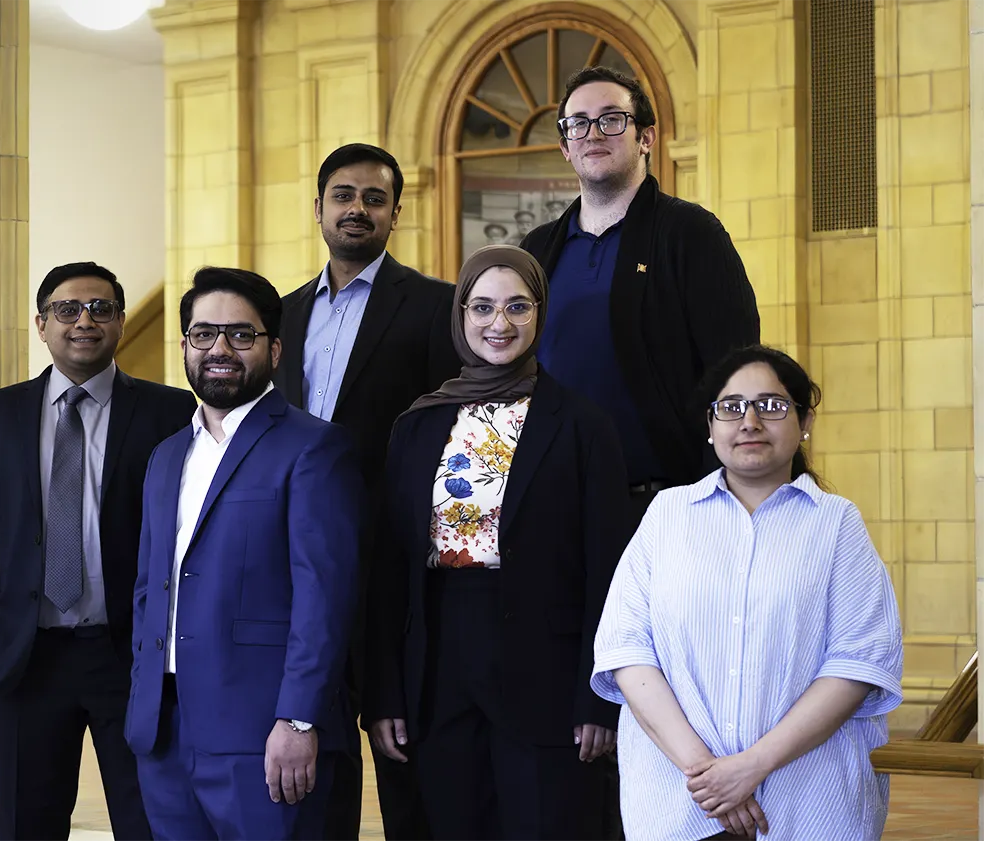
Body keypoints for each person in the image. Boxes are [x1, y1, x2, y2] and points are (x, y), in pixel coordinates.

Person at [364, 245, 630, 840]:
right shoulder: (417, 424)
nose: (499, 323)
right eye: (481, 307)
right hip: (435, 670)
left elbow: (608, 574)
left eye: (517, 306)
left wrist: (600, 699)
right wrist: (384, 694)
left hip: (548, 676)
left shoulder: (583, 426)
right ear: (460, 315)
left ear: (540, 313)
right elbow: (388, 574)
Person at [592, 345, 904, 841]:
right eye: (731, 407)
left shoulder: (836, 524)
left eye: (772, 405)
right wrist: (708, 775)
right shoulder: (667, 516)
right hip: (680, 796)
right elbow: (626, 649)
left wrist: (751, 768)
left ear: (804, 422)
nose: (750, 421)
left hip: (807, 796)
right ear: (710, 426)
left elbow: (858, 662)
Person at [0, 261, 197, 841]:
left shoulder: (169, 413)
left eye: (101, 309)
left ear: (121, 322)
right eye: (67, 309)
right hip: (23, 660)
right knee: (27, 825)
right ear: (41, 324)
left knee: (153, 823)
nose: (85, 320)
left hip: (132, 658)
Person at [126, 266, 361, 840]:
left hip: (262, 733)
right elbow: (148, 586)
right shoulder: (166, 456)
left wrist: (299, 718)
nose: (220, 349)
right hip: (163, 731)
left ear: (274, 349)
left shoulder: (313, 448)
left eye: (241, 334)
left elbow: (324, 599)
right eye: (203, 334)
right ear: (184, 345)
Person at [273, 142, 456, 841]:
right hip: (298, 563)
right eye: (343, 195)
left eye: (373, 198)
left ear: (395, 213)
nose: (357, 208)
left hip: (397, 560)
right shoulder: (282, 316)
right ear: (318, 207)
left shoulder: (438, 307)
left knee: (403, 748)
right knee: (310, 742)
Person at [520, 66, 759, 510]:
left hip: (664, 502)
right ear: (565, 147)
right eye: (579, 123)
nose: (594, 133)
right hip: (555, 501)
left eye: (612, 119)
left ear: (646, 137)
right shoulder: (537, 248)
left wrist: (721, 496)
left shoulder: (691, 234)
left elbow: (735, 370)